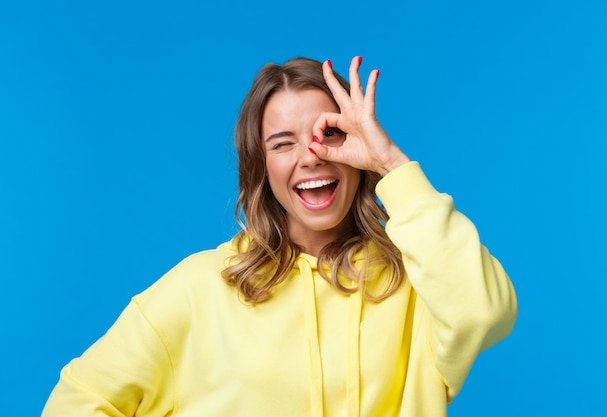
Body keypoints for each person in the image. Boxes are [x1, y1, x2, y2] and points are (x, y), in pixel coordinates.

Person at [42, 56, 517, 417]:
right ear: (261, 167)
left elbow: (485, 312)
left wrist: (390, 163)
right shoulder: (201, 287)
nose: (309, 157)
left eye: (327, 134)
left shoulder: (416, 279)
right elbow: (78, 401)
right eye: (282, 143)